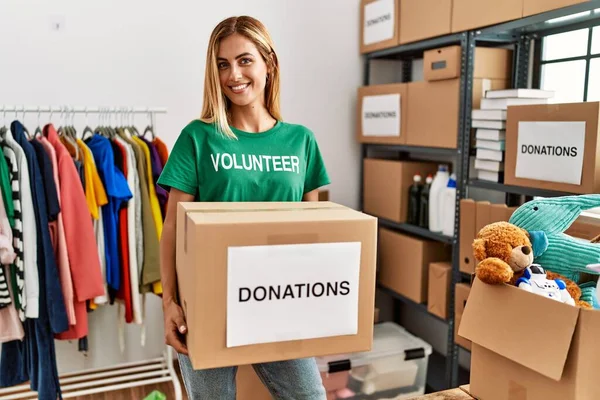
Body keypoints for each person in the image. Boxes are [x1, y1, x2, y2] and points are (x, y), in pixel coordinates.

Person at [157, 15, 330, 400]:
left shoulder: (301, 141)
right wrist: (169, 303)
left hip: (278, 302)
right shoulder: (197, 138)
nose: (233, 74)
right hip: (207, 305)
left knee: (309, 396)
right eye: (222, 64)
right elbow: (172, 229)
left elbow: (311, 233)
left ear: (269, 63)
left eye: (245, 60)